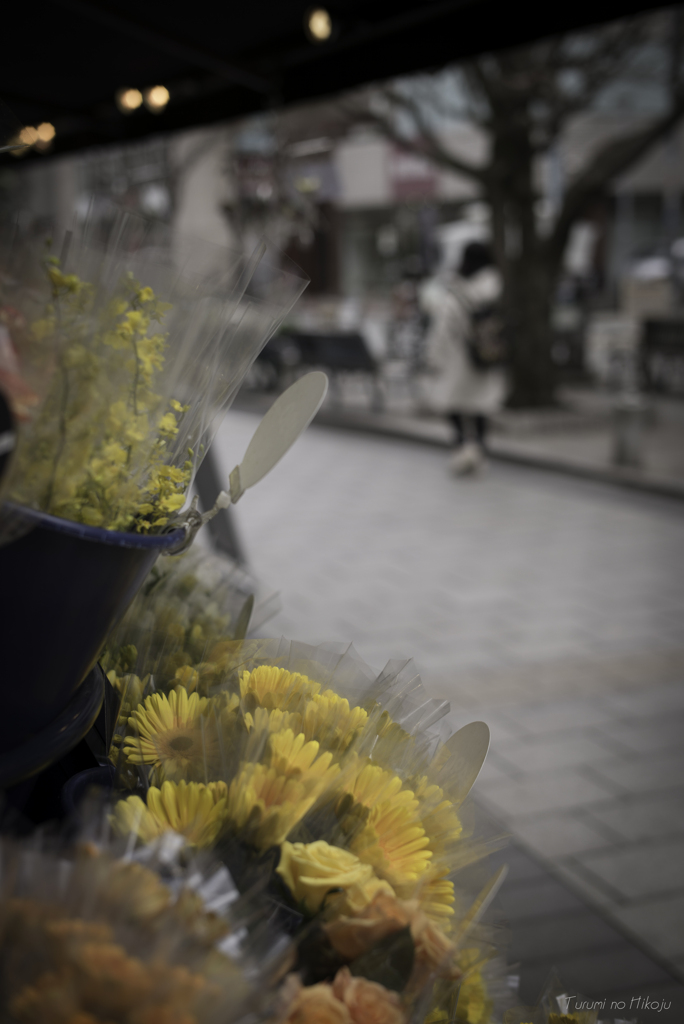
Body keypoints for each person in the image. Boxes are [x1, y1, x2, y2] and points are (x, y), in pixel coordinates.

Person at [419, 241, 507, 475]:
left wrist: (433, 359)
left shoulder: (456, 291)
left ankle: (461, 446)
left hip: (458, 360)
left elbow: (442, 331)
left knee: (453, 403)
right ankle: (478, 448)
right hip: (488, 356)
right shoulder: (498, 288)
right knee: (481, 405)